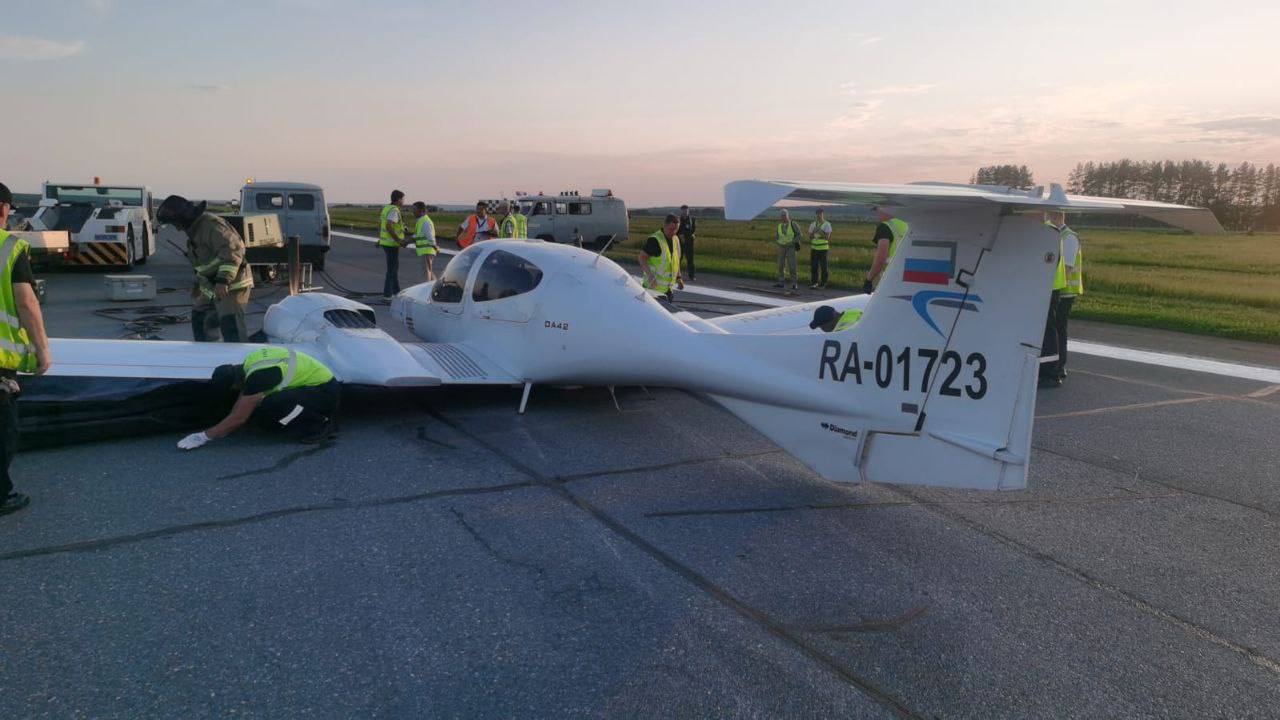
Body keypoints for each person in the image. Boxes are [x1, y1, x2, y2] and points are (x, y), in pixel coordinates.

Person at [0, 182, 52, 517]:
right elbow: (27, 303)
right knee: (3, 430)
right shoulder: (9, 247)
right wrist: (42, 350)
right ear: (3, 208)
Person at [178, 347, 341, 450]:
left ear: (235, 384)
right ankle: (303, 416)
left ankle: (321, 424)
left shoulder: (260, 377)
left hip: (325, 392)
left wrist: (204, 436)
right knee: (263, 412)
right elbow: (243, 400)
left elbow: (239, 418)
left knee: (274, 404)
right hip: (313, 385)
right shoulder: (250, 362)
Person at [156, 194, 253, 342]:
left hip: (231, 286)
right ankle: (207, 357)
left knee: (231, 325)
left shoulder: (210, 225)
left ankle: (238, 360)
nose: (176, 228)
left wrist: (223, 280)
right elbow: (205, 263)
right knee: (201, 318)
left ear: (182, 219)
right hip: (212, 287)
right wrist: (200, 285)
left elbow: (232, 250)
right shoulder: (195, 231)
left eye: (174, 223)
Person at [1040, 212, 1082, 387]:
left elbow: (1067, 268)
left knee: (1057, 329)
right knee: (1056, 329)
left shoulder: (1068, 237)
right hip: (1059, 290)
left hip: (1064, 292)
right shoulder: (1059, 235)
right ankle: (1058, 365)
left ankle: (1058, 366)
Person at [864, 207, 909, 293]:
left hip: (890, 277)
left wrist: (869, 279)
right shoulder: (907, 225)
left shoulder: (885, 227)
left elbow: (881, 259)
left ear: (884, 210)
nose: (878, 215)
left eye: (878, 211)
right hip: (906, 275)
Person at [638, 214, 683, 299]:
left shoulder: (675, 239)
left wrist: (678, 277)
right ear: (665, 225)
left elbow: (675, 261)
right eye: (671, 229)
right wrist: (650, 276)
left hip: (668, 290)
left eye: (676, 229)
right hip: (653, 290)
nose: (673, 232)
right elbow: (642, 257)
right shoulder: (655, 240)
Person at [378, 190, 408, 300]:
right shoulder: (394, 210)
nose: (404, 201)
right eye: (403, 199)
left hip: (386, 242)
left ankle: (396, 292)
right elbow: (388, 226)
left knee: (394, 268)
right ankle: (387, 295)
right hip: (391, 243)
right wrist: (399, 240)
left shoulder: (386, 208)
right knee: (391, 269)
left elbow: (381, 225)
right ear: (399, 199)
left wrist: (379, 239)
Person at [773, 209, 802, 295]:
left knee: (792, 265)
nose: (783, 217)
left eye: (784, 215)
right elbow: (777, 236)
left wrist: (792, 242)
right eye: (781, 216)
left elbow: (800, 235)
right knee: (780, 265)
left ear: (787, 215)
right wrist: (778, 241)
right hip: (782, 247)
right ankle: (781, 282)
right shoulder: (779, 225)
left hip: (791, 247)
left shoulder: (793, 224)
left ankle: (794, 283)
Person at [411, 202, 438, 282]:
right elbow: (416, 236)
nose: (413, 211)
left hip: (427, 251)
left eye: (414, 209)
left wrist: (435, 246)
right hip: (425, 251)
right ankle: (435, 287)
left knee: (426, 274)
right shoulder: (420, 221)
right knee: (429, 271)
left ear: (421, 210)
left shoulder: (425, 221)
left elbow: (430, 237)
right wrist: (406, 241)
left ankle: (425, 291)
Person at [808, 208, 833, 289]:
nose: (819, 215)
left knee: (824, 267)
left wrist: (820, 232)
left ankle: (823, 284)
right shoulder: (813, 224)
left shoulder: (827, 224)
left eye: (820, 214)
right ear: (816, 214)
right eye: (818, 214)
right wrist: (814, 232)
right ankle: (814, 283)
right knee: (814, 267)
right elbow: (810, 237)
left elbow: (827, 237)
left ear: (823, 214)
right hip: (814, 248)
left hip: (823, 249)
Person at [677, 204, 697, 281]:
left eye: (686, 211)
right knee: (678, 259)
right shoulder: (678, 220)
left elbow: (693, 230)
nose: (685, 212)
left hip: (689, 242)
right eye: (683, 211)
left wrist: (690, 235)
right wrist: (679, 235)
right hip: (679, 242)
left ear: (688, 211)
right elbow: (675, 230)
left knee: (690, 260)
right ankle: (676, 275)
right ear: (681, 211)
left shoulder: (692, 220)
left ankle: (692, 276)